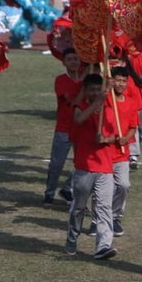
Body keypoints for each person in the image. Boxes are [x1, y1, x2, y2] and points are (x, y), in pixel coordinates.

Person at [65, 73, 118, 260]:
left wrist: (106, 139)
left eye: (98, 89)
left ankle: (103, 246)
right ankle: (72, 237)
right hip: (84, 167)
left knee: (104, 207)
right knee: (79, 207)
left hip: (105, 167)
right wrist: (98, 102)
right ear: (86, 92)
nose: (96, 92)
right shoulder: (80, 107)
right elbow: (79, 119)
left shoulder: (110, 110)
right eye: (92, 90)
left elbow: (116, 136)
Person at [103, 67, 141, 238]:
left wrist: (127, 138)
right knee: (103, 189)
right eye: (117, 80)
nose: (120, 84)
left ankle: (115, 217)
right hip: (104, 153)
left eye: (123, 81)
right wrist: (107, 88)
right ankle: (98, 220)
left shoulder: (131, 102)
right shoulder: (106, 100)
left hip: (122, 153)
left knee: (124, 185)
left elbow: (134, 127)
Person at [43, 48, 81, 205]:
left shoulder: (88, 79)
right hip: (64, 128)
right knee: (56, 164)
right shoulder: (61, 80)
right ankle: (49, 192)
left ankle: (68, 188)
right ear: (64, 62)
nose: (73, 62)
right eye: (70, 59)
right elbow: (72, 100)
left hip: (82, 128)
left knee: (82, 164)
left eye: (76, 59)